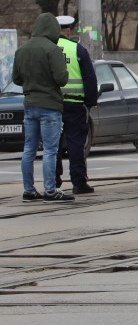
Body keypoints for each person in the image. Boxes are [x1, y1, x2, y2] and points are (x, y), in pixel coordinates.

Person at [13, 12, 70, 201]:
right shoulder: (52, 50)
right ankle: (50, 190)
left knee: (29, 149)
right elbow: (61, 79)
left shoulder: (22, 50)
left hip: (29, 105)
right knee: (50, 150)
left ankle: (28, 190)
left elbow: (16, 78)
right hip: (50, 106)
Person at [54, 15, 99, 194]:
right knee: (76, 145)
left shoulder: (48, 49)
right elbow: (89, 78)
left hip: (54, 105)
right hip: (75, 105)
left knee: (53, 146)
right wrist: (90, 101)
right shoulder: (77, 50)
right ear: (68, 30)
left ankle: (53, 182)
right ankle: (79, 183)